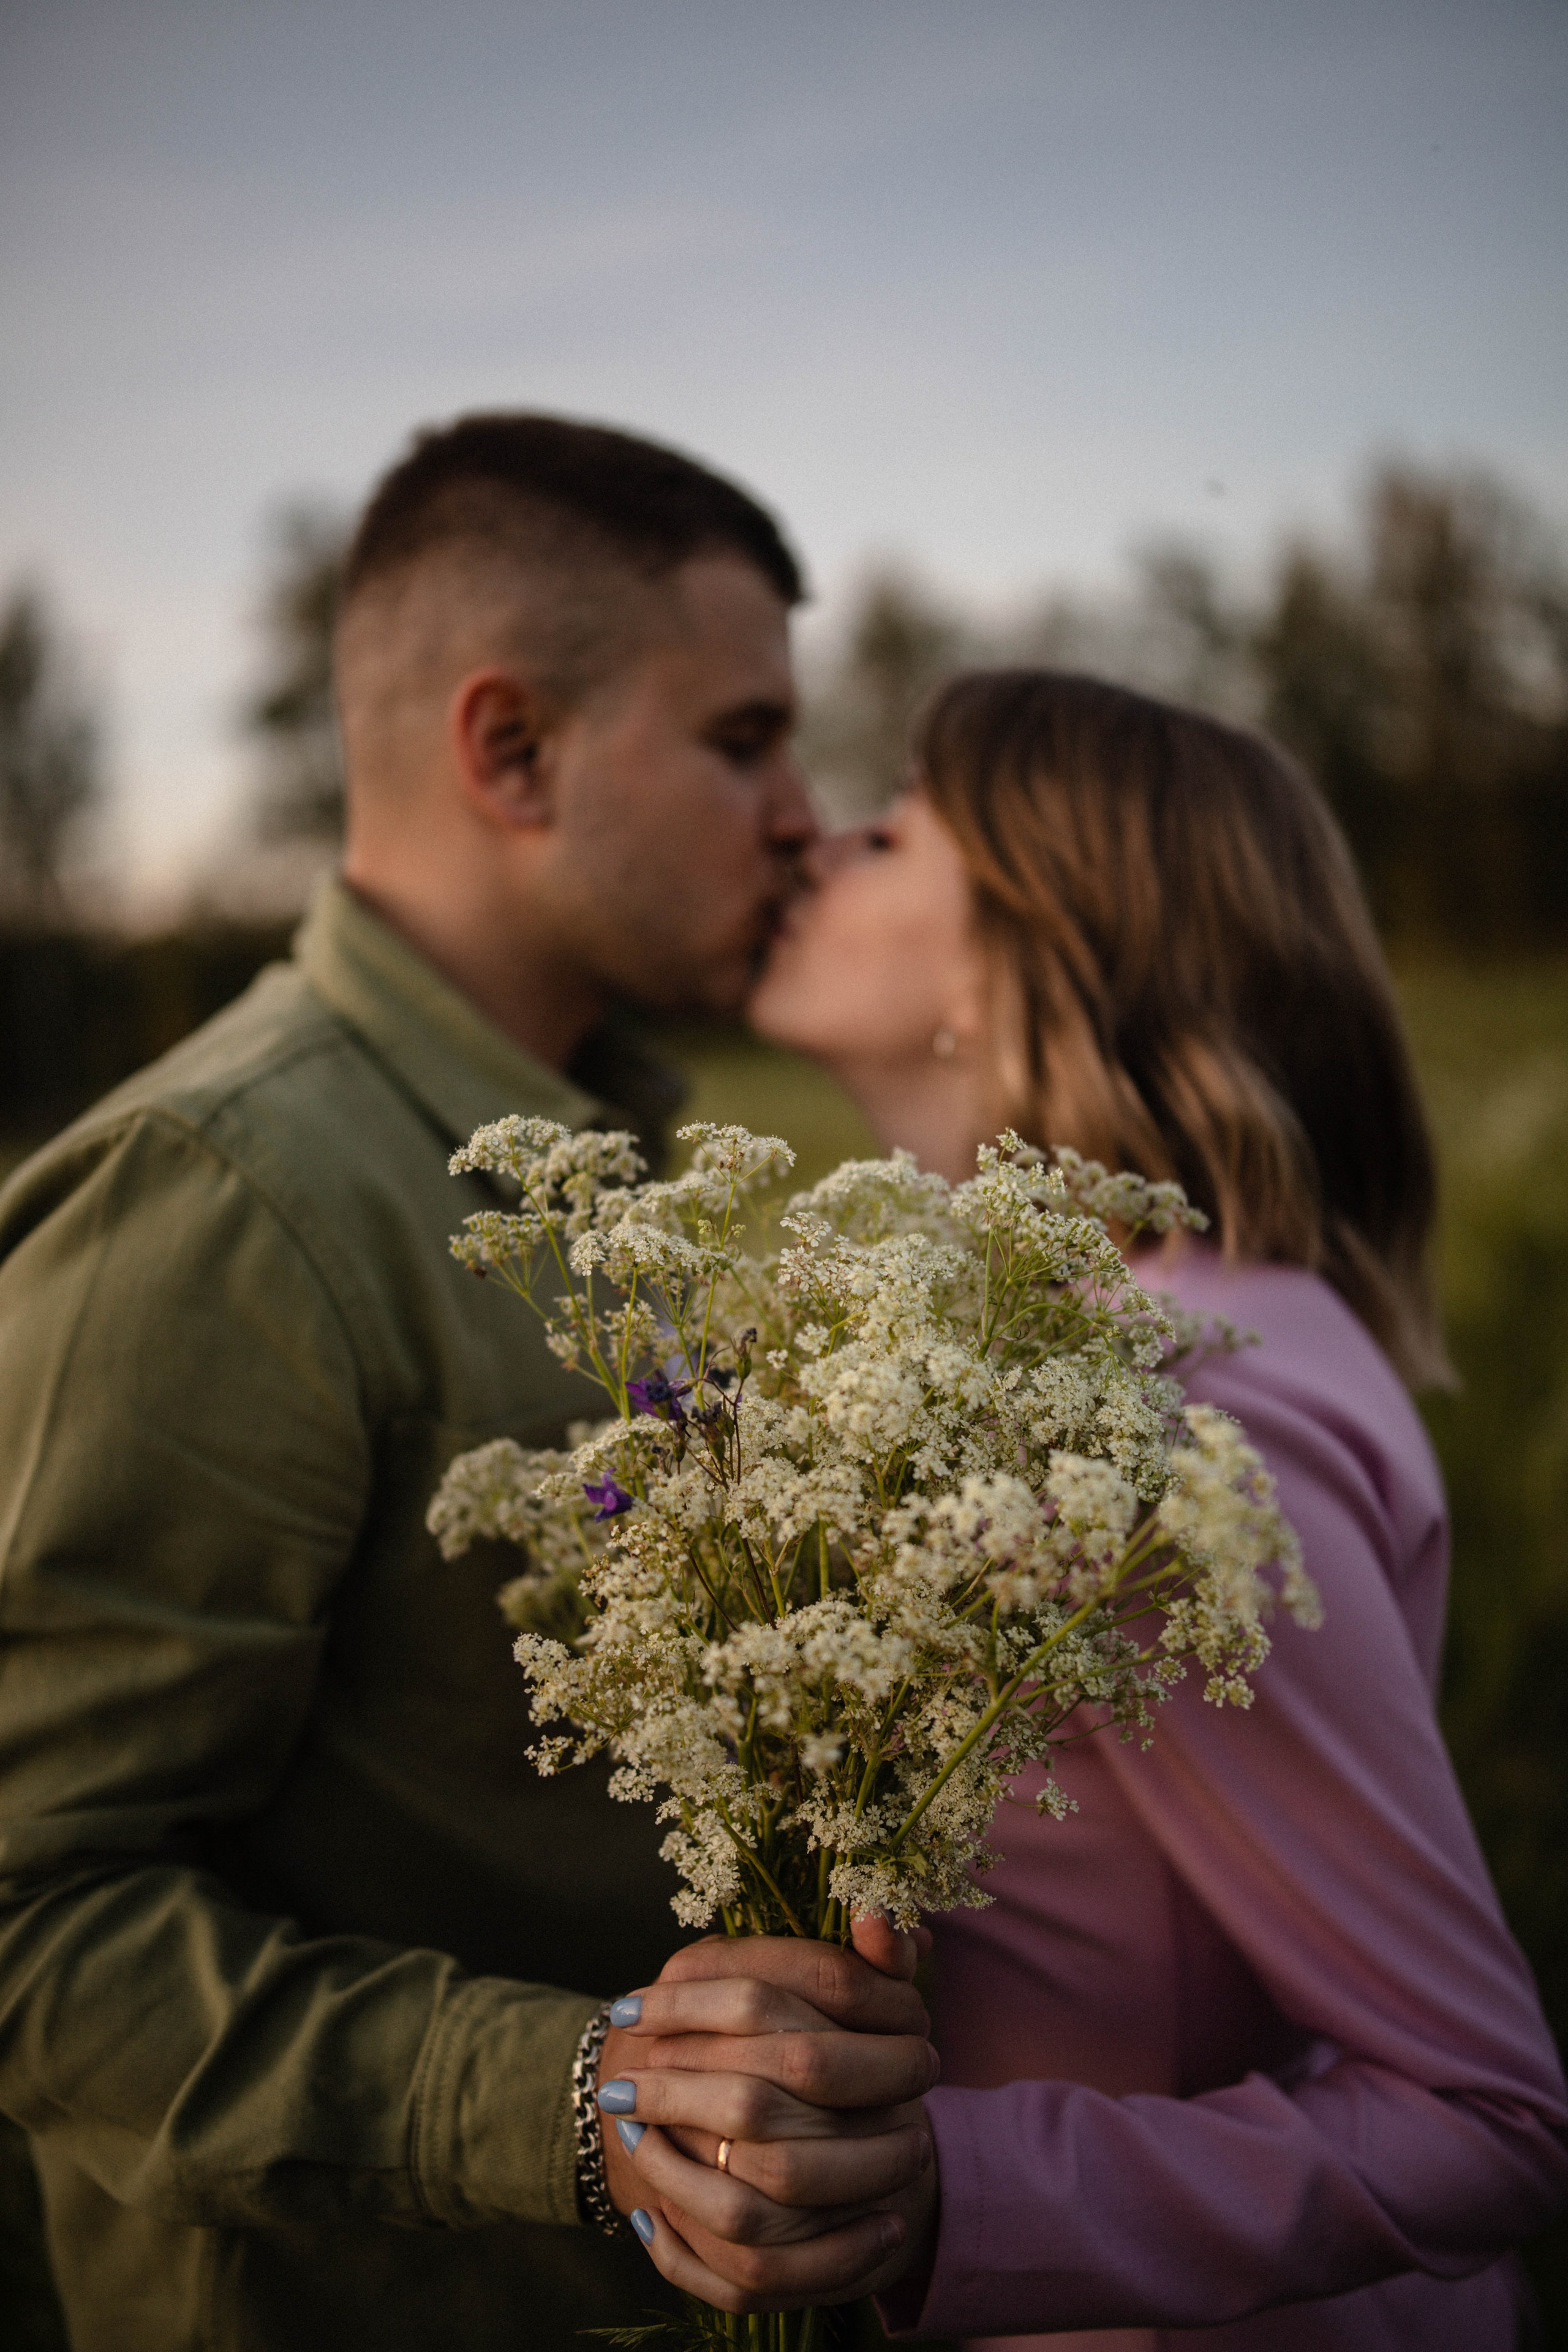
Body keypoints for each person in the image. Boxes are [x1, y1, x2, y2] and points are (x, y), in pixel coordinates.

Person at [0, 412, 938, 2351]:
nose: (800, 813)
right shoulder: (226, 1195)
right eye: (743, 739)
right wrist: (580, 2106)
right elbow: (32, 1920)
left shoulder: (621, 1175)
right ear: (510, 750)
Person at [606, 669, 1568, 2342]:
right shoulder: (1102, 1341)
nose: (821, 840)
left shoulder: (1165, 1419)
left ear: (1033, 949)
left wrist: (937, 2195)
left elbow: (1482, 2114)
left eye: (895, 831)